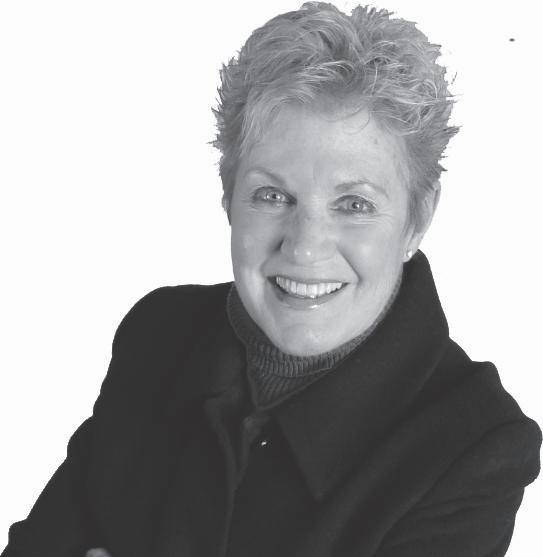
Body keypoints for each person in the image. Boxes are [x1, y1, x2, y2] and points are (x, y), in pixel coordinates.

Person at [2, 2, 541, 556]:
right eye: (272, 195)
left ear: (418, 219)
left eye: (354, 204)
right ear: (228, 197)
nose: (304, 245)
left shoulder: (475, 443)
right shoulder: (158, 336)